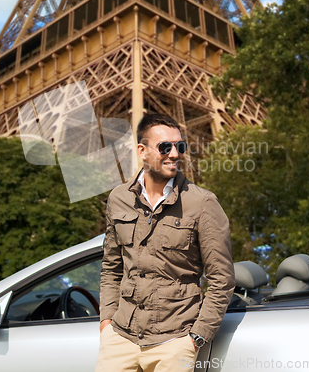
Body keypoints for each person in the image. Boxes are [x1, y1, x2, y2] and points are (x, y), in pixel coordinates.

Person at [95, 114, 235, 372]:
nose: (175, 154)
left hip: (174, 341)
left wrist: (195, 338)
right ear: (142, 151)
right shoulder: (118, 198)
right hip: (120, 338)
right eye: (164, 147)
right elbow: (112, 267)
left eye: (180, 146)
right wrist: (106, 322)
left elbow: (221, 278)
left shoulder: (202, 203)